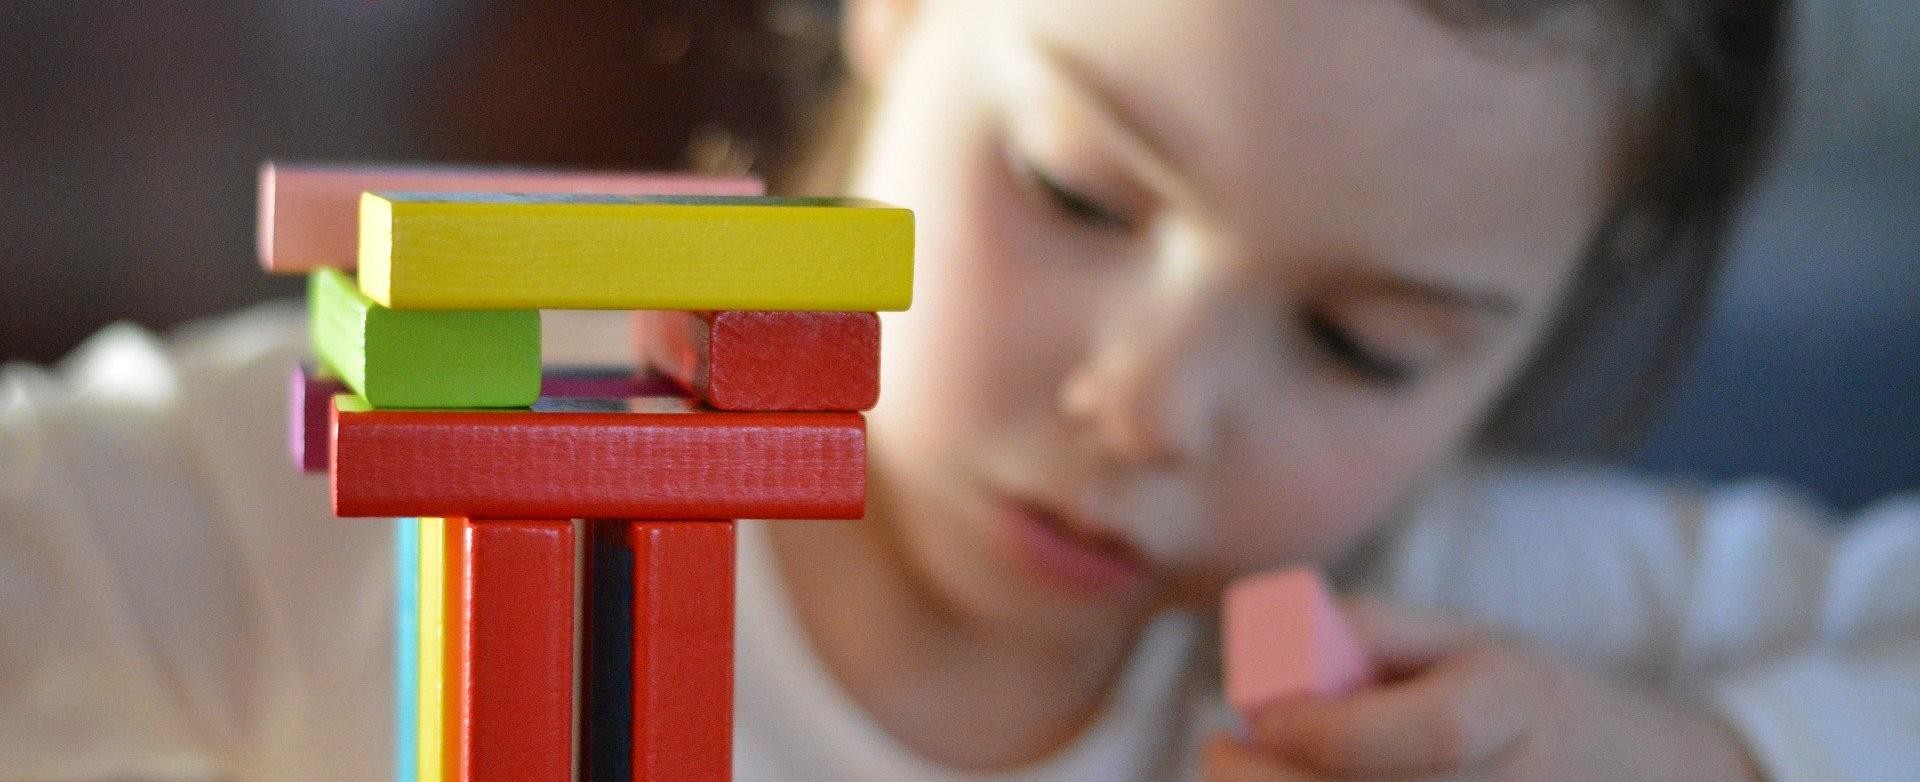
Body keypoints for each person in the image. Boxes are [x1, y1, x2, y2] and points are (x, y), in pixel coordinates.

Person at [2, 0, 1916, 780]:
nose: (1150, 406)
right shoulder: (346, 499)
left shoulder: (1441, 632)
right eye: (1077, 192)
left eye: (1365, 342)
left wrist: (1709, 759)